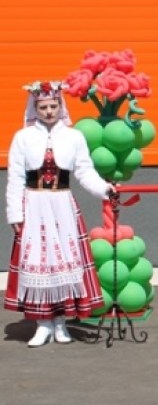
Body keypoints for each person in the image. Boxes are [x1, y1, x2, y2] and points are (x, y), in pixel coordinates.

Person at [5, 80, 114, 346]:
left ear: (60, 106)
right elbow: (15, 177)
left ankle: (61, 323)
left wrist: (105, 189)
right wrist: (15, 214)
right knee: (40, 261)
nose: (49, 111)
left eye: (53, 106)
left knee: (65, 258)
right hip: (34, 206)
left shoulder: (73, 137)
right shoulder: (23, 137)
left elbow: (84, 171)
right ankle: (42, 324)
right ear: (35, 107)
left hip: (62, 205)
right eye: (43, 107)